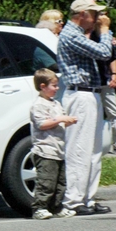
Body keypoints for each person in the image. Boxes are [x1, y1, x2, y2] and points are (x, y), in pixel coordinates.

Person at [57, 0, 113, 216]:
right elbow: (103, 53)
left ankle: (88, 199)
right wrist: (106, 31)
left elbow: (103, 52)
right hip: (80, 95)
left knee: (93, 150)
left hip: (91, 93)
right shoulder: (70, 35)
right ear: (83, 14)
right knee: (79, 149)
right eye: (95, 14)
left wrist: (103, 36)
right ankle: (73, 201)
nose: (98, 18)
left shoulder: (80, 35)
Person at [30, 68, 78, 220]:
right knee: (47, 182)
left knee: (61, 182)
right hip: (45, 150)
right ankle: (39, 208)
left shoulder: (55, 103)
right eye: (54, 85)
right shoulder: (38, 105)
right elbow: (42, 124)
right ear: (43, 86)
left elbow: (58, 124)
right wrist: (61, 119)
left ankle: (57, 207)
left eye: (57, 85)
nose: (57, 88)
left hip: (58, 150)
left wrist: (68, 121)